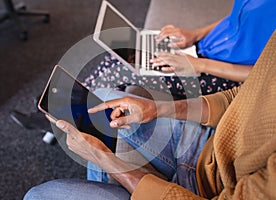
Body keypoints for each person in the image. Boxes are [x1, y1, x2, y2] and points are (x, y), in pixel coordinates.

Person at [24, 31, 276, 200]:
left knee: (38, 195)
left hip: (208, 190)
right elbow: (241, 96)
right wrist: (158, 108)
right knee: (105, 101)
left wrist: (105, 160)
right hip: (210, 145)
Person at [83, 0, 276, 99]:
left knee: (118, 71)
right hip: (208, 47)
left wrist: (198, 65)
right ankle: (77, 105)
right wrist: (196, 34)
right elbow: (239, 17)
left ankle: (78, 116)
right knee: (118, 53)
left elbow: (267, 75)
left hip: (227, 75)